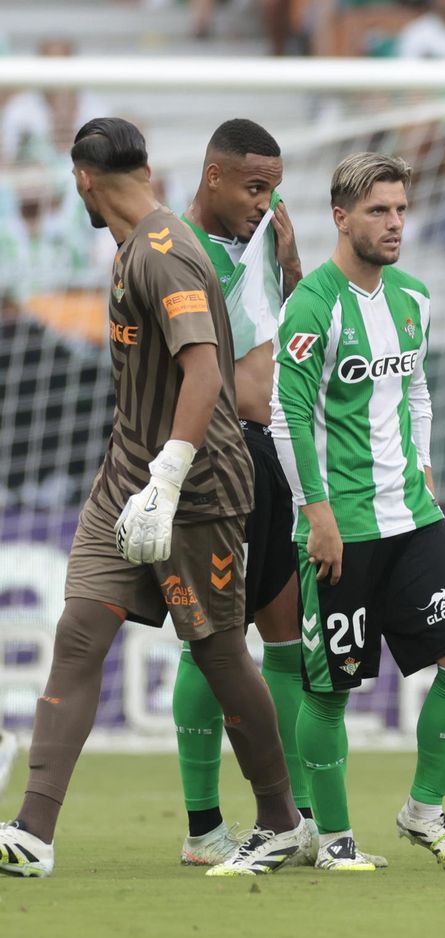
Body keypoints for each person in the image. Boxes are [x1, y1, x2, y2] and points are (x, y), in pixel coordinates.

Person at [0, 118, 306, 878]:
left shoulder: (164, 256)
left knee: (220, 654)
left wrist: (167, 480)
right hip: (125, 480)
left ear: (82, 181)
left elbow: (207, 374)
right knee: (78, 636)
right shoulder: (136, 246)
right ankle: (32, 833)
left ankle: (281, 820)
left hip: (196, 488)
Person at [271, 152, 445, 873]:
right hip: (344, 527)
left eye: (400, 210)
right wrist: (318, 513)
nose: (395, 224)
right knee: (329, 691)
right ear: (340, 217)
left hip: (414, 518)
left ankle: (423, 812)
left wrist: (422, 461)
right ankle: (332, 839)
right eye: (378, 212)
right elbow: (287, 418)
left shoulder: (414, 298)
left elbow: (418, 390)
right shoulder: (312, 306)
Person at [170, 117, 314, 867]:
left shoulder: (259, 240)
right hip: (212, 460)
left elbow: (289, 332)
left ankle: (293, 816)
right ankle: (202, 828)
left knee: (285, 638)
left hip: (272, 454)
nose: (266, 202)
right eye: (255, 187)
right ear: (214, 174)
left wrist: (292, 268)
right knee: (212, 642)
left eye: (274, 188)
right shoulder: (171, 250)